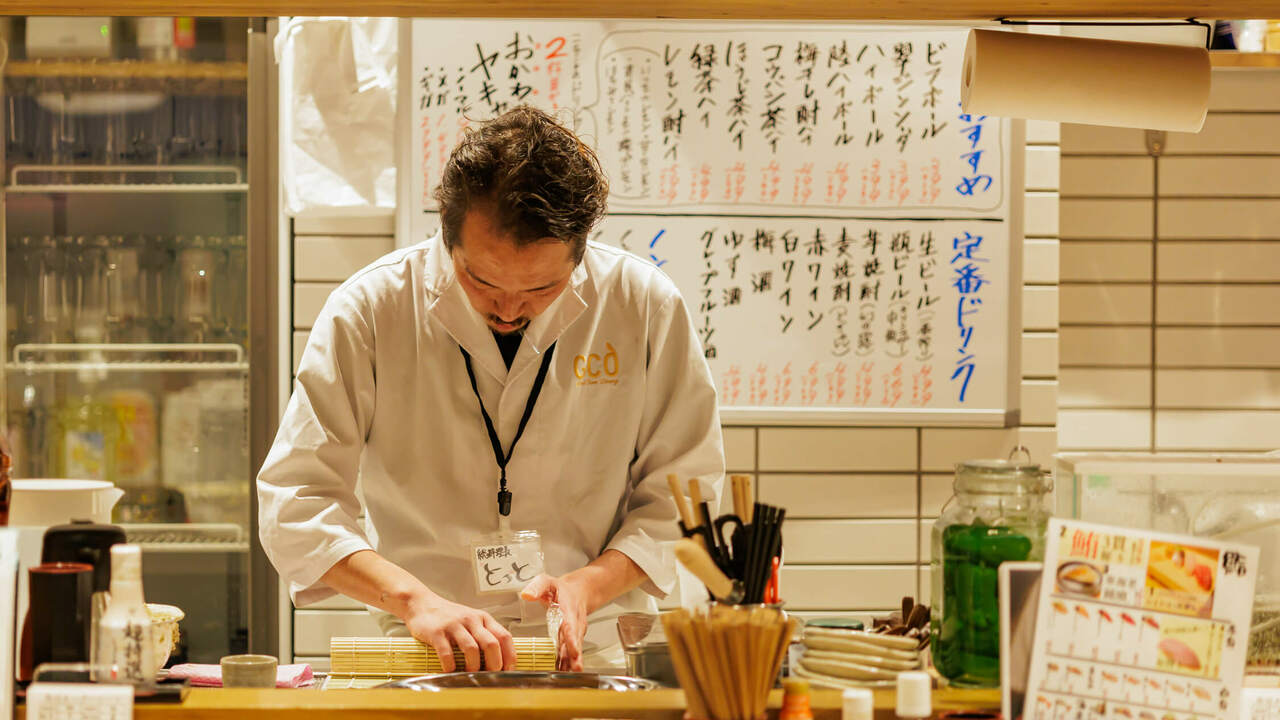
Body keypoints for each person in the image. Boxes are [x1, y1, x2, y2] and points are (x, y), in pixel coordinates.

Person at [257, 106, 724, 673]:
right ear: (446, 231)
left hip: (593, 643)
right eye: (481, 280)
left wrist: (589, 585)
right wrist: (414, 600)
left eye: (542, 288)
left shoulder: (642, 304)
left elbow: (686, 491)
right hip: (427, 647)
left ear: (580, 252)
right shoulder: (371, 309)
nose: (508, 309)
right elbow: (297, 500)